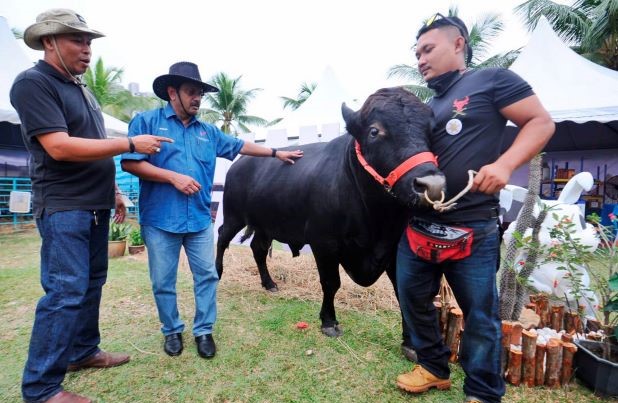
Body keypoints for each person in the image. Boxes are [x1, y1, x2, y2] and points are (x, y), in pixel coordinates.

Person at [10, 9, 172, 403]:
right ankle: (41, 388)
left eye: (88, 42)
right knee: (65, 291)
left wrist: (114, 190)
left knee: (91, 283)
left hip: (96, 203)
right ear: (49, 42)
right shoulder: (33, 83)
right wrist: (130, 144)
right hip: (65, 205)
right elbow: (59, 146)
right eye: (76, 41)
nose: (86, 50)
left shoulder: (81, 87)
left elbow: (94, 144)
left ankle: (82, 352)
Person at [395, 13, 555, 403]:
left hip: (473, 225)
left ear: (458, 44)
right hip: (420, 223)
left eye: (428, 49)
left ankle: (483, 391)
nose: (420, 59)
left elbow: (540, 122)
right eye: (416, 53)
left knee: (480, 317)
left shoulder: (493, 81)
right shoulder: (426, 106)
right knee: (412, 300)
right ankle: (433, 368)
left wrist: (503, 165)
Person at [121, 61, 303, 359]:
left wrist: (275, 153)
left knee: (206, 276)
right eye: (191, 92)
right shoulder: (147, 123)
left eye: (200, 94)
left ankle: (204, 331)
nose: (197, 98)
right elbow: (130, 162)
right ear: (172, 92)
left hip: (199, 220)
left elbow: (240, 145)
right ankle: (171, 331)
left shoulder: (207, 132)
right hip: (160, 219)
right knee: (163, 281)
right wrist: (172, 177)